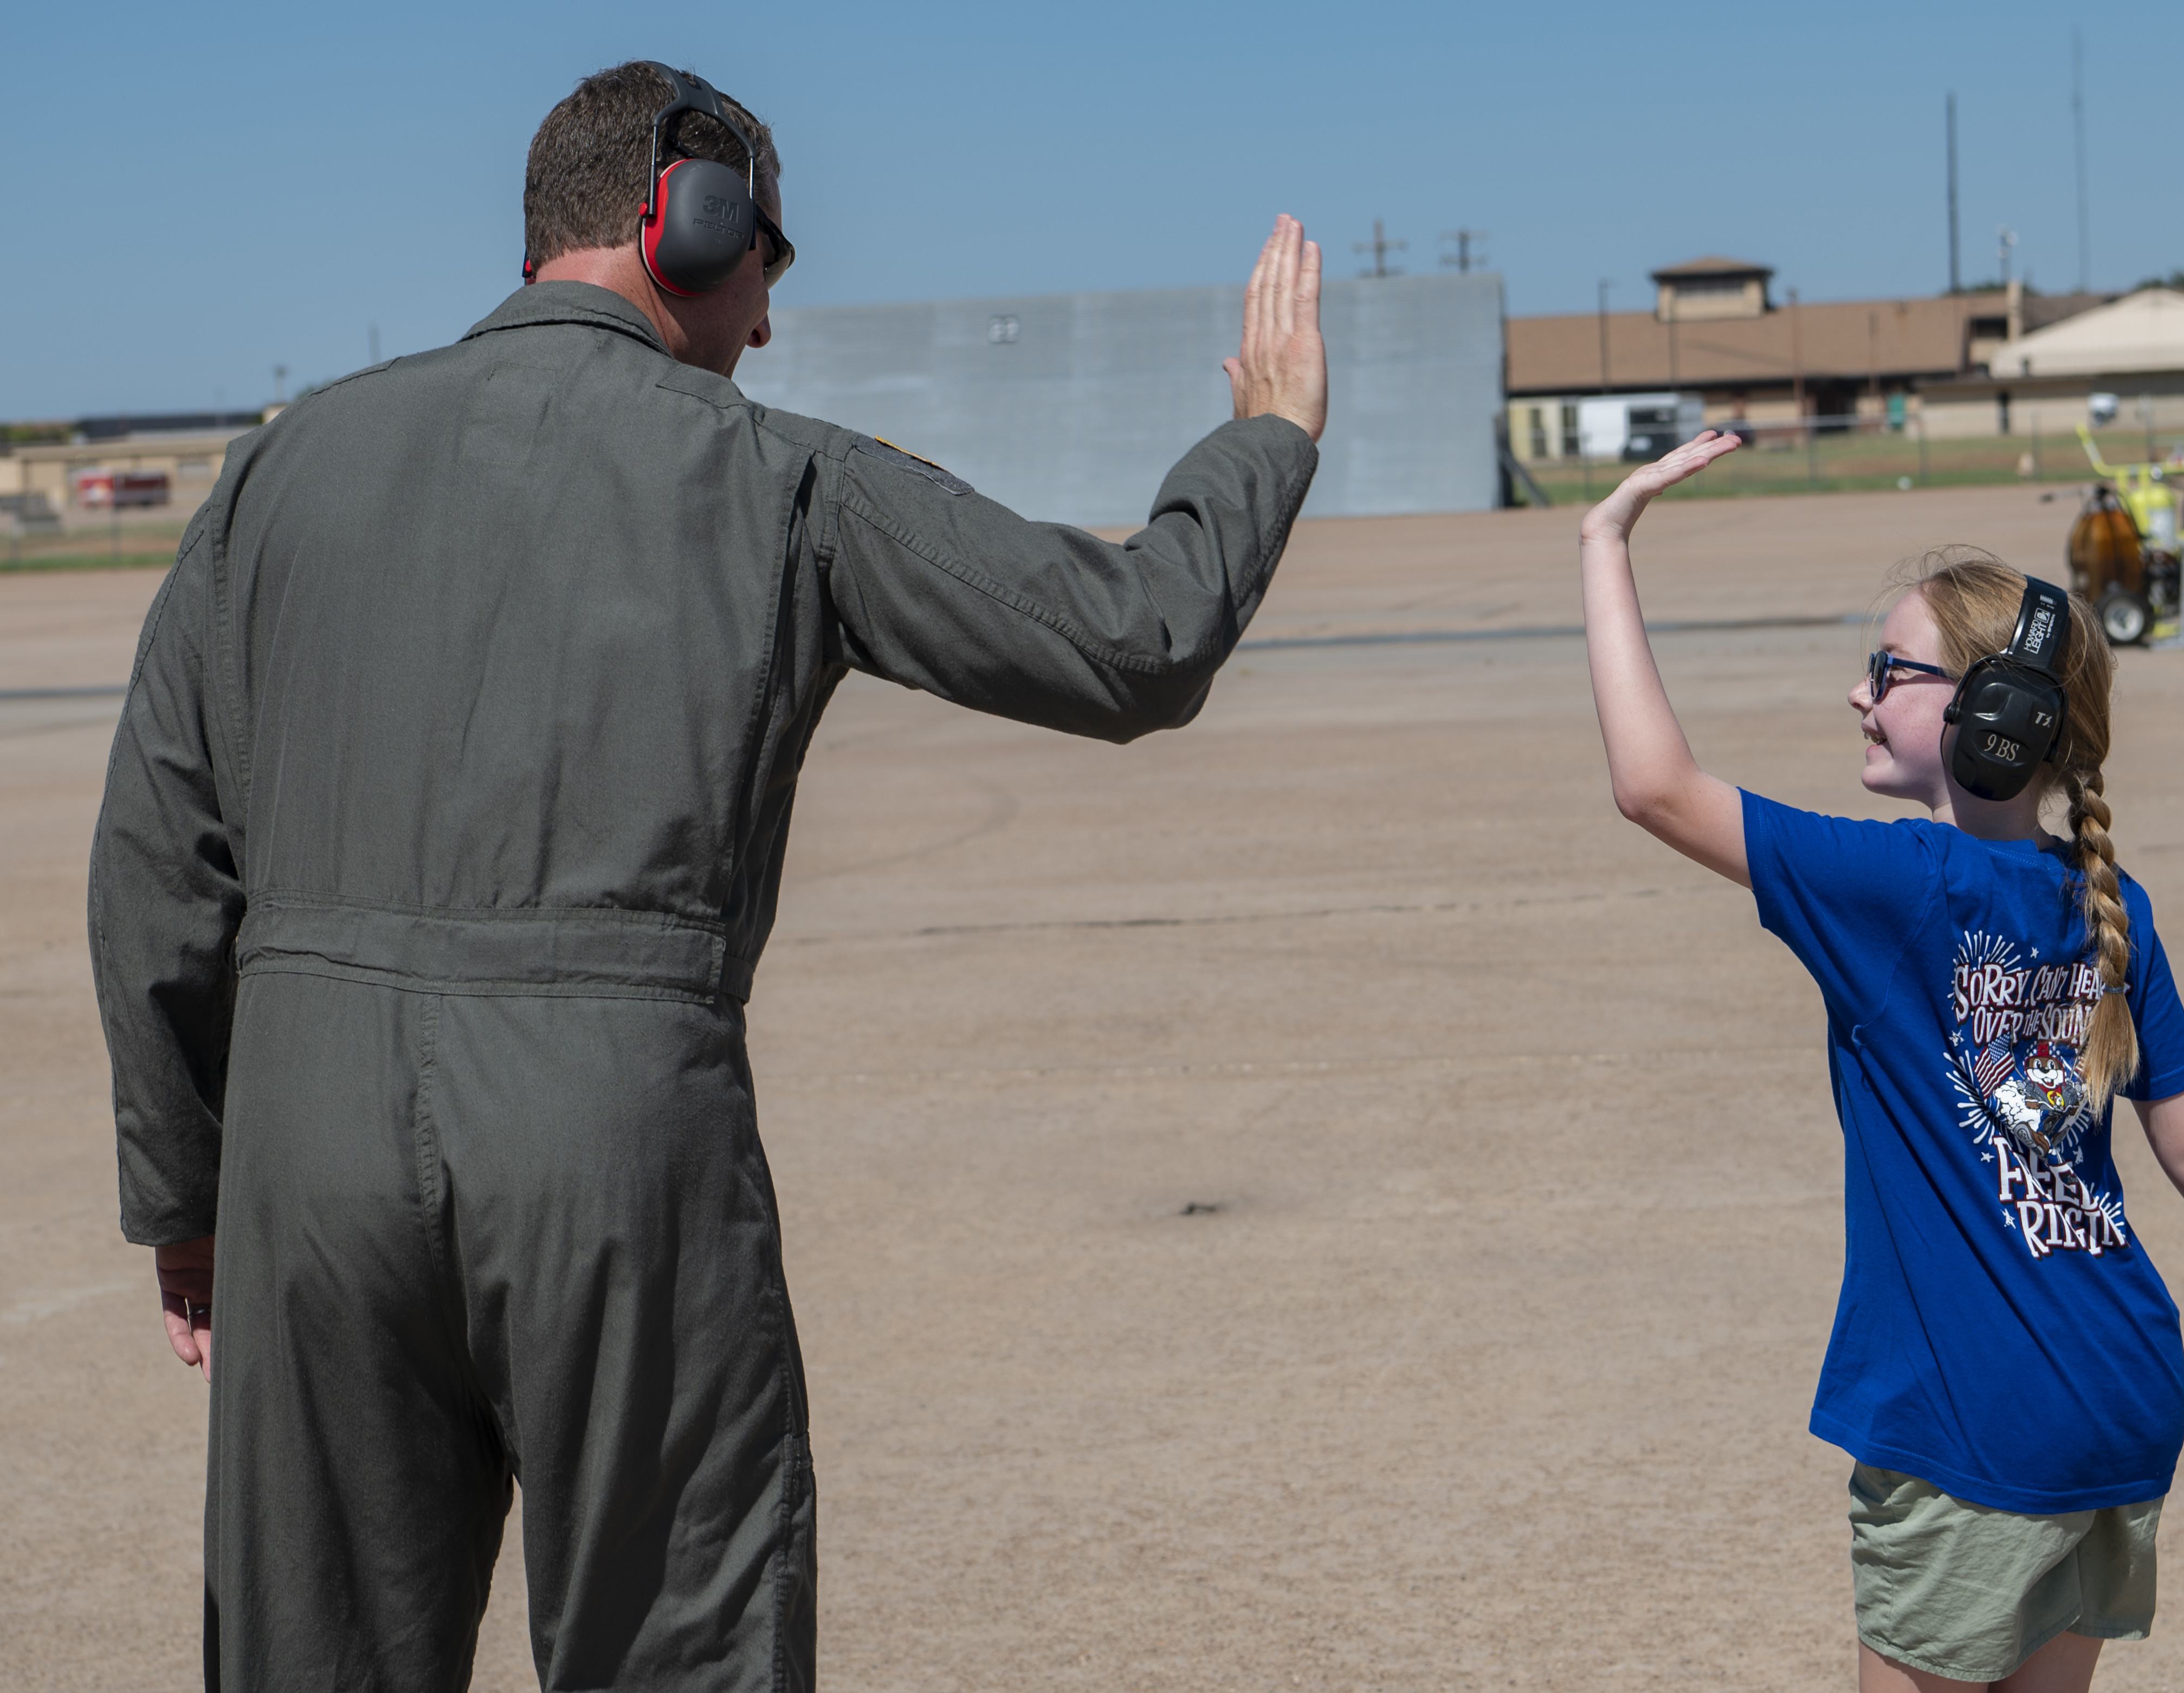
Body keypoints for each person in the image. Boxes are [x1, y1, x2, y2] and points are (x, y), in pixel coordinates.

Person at [89, 58, 1325, 1690]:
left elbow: (158, 855)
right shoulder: (781, 477)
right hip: (615, 1137)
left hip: (303, 1161)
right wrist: (1270, 441)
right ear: (695, 222)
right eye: (771, 268)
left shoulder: (278, 470)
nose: (768, 325)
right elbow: (1136, 643)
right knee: (679, 1645)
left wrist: (190, 1191)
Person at [1573, 431, 2184, 1693]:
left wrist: (1603, 543)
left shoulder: (1896, 884)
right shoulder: (2108, 901)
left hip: (1974, 1414)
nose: (1858, 692)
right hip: (2119, 1392)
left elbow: (1652, 786)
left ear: (1995, 715)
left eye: (1889, 668)